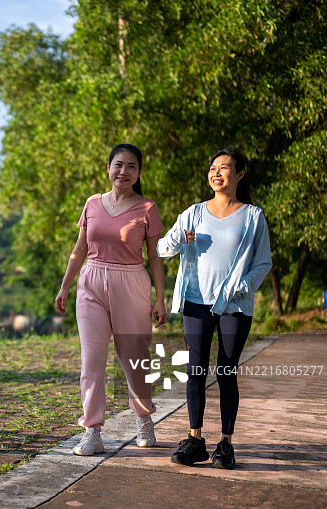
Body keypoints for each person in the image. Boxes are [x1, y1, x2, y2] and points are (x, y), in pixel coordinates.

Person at [158, 148, 271, 469]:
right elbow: (162, 248)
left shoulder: (252, 216)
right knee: (195, 372)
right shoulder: (192, 214)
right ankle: (195, 440)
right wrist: (179, 238)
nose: (216, 173)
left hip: (234, 307)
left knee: (225, 373)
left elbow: (263, 263)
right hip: (195, 304)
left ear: (239, 174)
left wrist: (243, 287)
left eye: (224, 168)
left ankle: (226, 444)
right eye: (212, 168)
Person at [55, 144, 166, 456]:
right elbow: (79, 249)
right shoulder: (92, 203)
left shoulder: (147, 208)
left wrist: (160, 298)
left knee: (134, 360)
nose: (124, 172)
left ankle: (144, 419)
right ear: (108, 168)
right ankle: (92, 431)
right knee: (91, 362)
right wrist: (65, 286)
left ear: (139, 173)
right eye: (118, 165)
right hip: (91, 283)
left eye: (132, 166)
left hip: (132, 283)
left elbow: (155, 256)